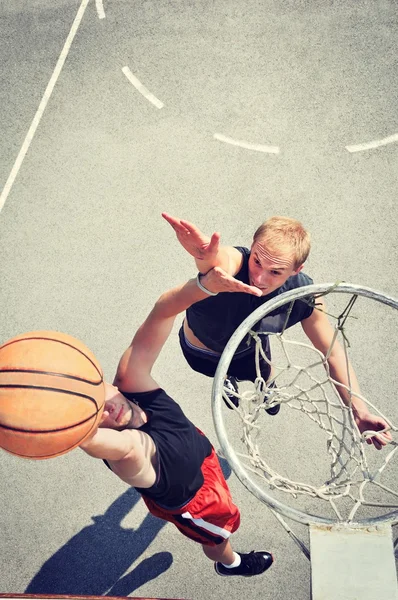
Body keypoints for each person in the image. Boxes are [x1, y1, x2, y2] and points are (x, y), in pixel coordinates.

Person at [79, 277, 274, 578]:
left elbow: (163, 311)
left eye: (96, 394)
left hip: (200, 454)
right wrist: (70, 430)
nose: (105, 409)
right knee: (218, 536)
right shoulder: (129, 454)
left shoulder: (129, 381)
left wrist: (208, 282)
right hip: (196, 503)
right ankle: (229, 563)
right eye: (93, 415)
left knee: (201, 463)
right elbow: (99, 441)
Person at [162, 212, 392, 449]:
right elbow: (220, 259)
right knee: (218, 373)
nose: (259, 277)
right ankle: (226, 380)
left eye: (275, 271)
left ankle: (266, 386)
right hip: (199, 351)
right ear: (252, 247)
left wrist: (358, 409)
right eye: (257, 261)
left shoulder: (304, 297)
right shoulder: (232, 266)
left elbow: (332, 352)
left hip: (247, 352)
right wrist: (205, 257)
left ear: (296, 269)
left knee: (262, 372)